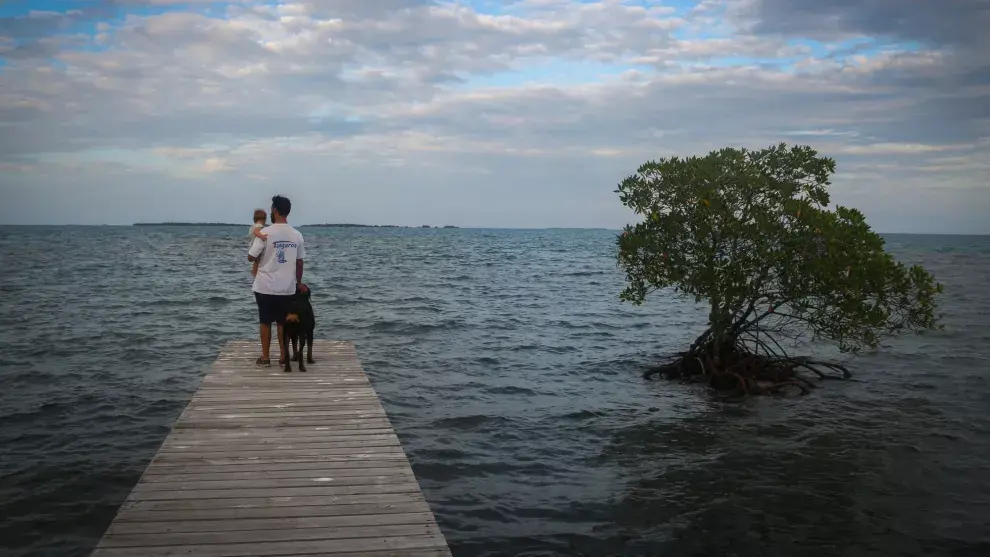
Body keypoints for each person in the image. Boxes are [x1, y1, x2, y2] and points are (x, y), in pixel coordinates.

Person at [247, 195, 307, 367]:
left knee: (265, 321)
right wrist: (299, 282)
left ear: (274, 210)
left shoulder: (265, 233)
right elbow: (300, 261)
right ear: (288, 211)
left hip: (264, 285)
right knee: (282, 322)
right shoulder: (297, 235)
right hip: (286, 287)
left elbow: (251, 257)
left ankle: (265, 358)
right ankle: (283, 356)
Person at [249, 209, 268, 277]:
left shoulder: (253, 226)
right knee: (257, 261)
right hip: (256, 246)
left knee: (256, 262)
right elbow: (256, 231)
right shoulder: (259, 225)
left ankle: (254, 274)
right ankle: (255, 274)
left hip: (252, 245)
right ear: (264, 219)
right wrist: (262, 236)